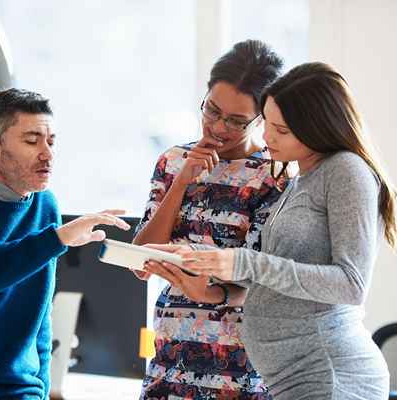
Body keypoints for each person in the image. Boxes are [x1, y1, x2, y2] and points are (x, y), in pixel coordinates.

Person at [148, 62, 394, 399]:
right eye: (268, 123)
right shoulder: (305, 177)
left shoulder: (346, 172)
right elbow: (273, 271)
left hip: (329, 375)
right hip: (293, 378)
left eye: (281, 130)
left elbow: (351, 285)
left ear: (318, 128)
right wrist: (203, 258)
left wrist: (238, 262)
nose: (266, 137)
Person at [0, 88, 130, 400]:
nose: (47, 153)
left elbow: (39, 314)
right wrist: (59, 238)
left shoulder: (45, 205)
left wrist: (44, 389)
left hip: (23, 391)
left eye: (51, 141)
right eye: (32, 141)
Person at [133, 40, 285, 399]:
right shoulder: (172, 161)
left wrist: (212, 291)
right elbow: (140, 257)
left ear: (261, 118)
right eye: (212, 110)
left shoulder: (272, 177)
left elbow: (264, 280)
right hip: (169, 357)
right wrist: (182, 182)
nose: (218, 127)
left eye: (236, 120)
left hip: (237, 367)